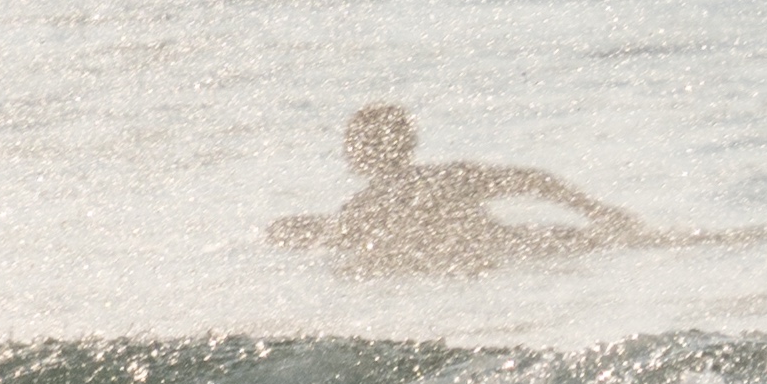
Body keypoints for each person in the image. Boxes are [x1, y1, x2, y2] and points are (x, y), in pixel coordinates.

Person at [266, 102, 651, 275]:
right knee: (638, 242)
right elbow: (532, 181)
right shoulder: (446, 176)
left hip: (477, 259)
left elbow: (342, 242)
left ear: (358, 152)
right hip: (510, 245)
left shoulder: (362, 207)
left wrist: (295, 232)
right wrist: (596, 210)